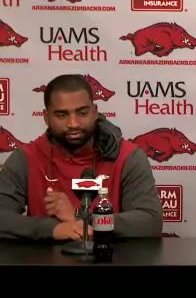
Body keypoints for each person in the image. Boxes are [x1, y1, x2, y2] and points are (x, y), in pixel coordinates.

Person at [0, 74, 162, 240]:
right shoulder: (25, 158)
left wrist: (81, 217)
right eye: (62, 115)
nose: (73, 123)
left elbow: (150, 222)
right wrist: (52, 230)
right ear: (46, 117)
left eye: (82, 113)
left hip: (111, 260)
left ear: (95, 112)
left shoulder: (128, 157)